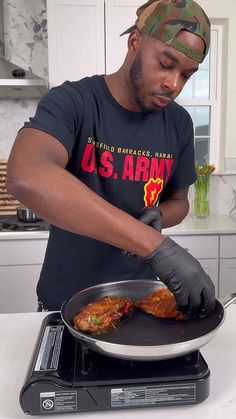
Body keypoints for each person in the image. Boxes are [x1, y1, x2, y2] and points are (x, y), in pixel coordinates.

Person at [6, 0, 215, 315]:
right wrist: (154, 244)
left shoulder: (179, 124)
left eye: (186, 75)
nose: (174, 84)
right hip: (65, 302)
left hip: (139, 301)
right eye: (166, 63)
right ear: (135, 43)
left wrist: (161, 216)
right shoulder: (74, 102)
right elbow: (26, 174)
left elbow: (180, 201)